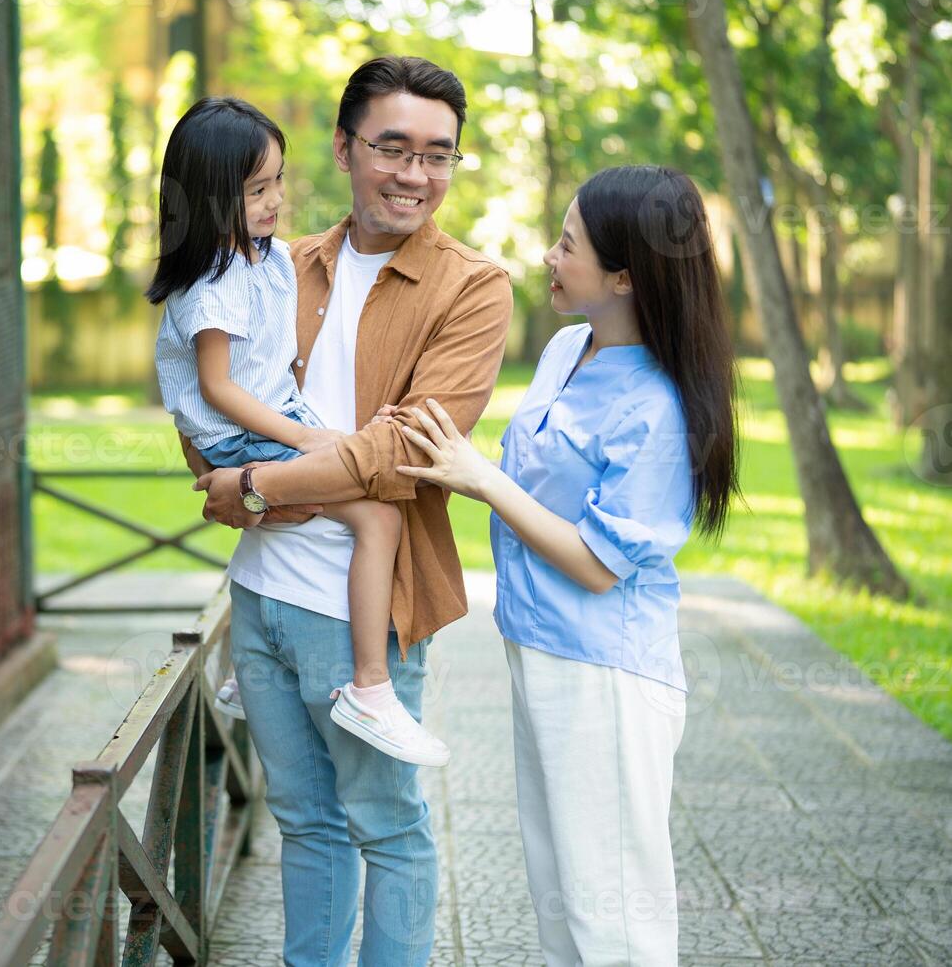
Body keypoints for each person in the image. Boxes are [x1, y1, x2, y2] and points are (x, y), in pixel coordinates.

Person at [185, 56, 515, 966]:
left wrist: (256, 488)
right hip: (260, 596)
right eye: (394, 148)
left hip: (365, 604)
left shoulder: (473, 287)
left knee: (386, 824)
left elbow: (410, 447)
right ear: (343, 148)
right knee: (306, 823)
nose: (416, 174)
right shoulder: (276, 263)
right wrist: (220, 469)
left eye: (439, 155)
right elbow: (210, 397)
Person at [394, 165, 739, 966]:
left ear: (624, 274)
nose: (549, 256)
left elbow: (597, 565)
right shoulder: (563, 350)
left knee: (612, 917)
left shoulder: (656, 408)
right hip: (537, 648)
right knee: (562, 900)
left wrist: (482, 479)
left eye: (568, 243)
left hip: (606, 674)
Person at [149, 96, 448, 767]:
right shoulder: (213, 284)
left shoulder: (263, 259)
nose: (274, 199)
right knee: (378, 519)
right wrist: (306, 439)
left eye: (278, 181)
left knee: (308, 512)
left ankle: (244, 678)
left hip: (265, 424)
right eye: (257, 189)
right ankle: (371, 688)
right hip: (244, 432)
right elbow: (218, 387)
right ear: (205, 199)